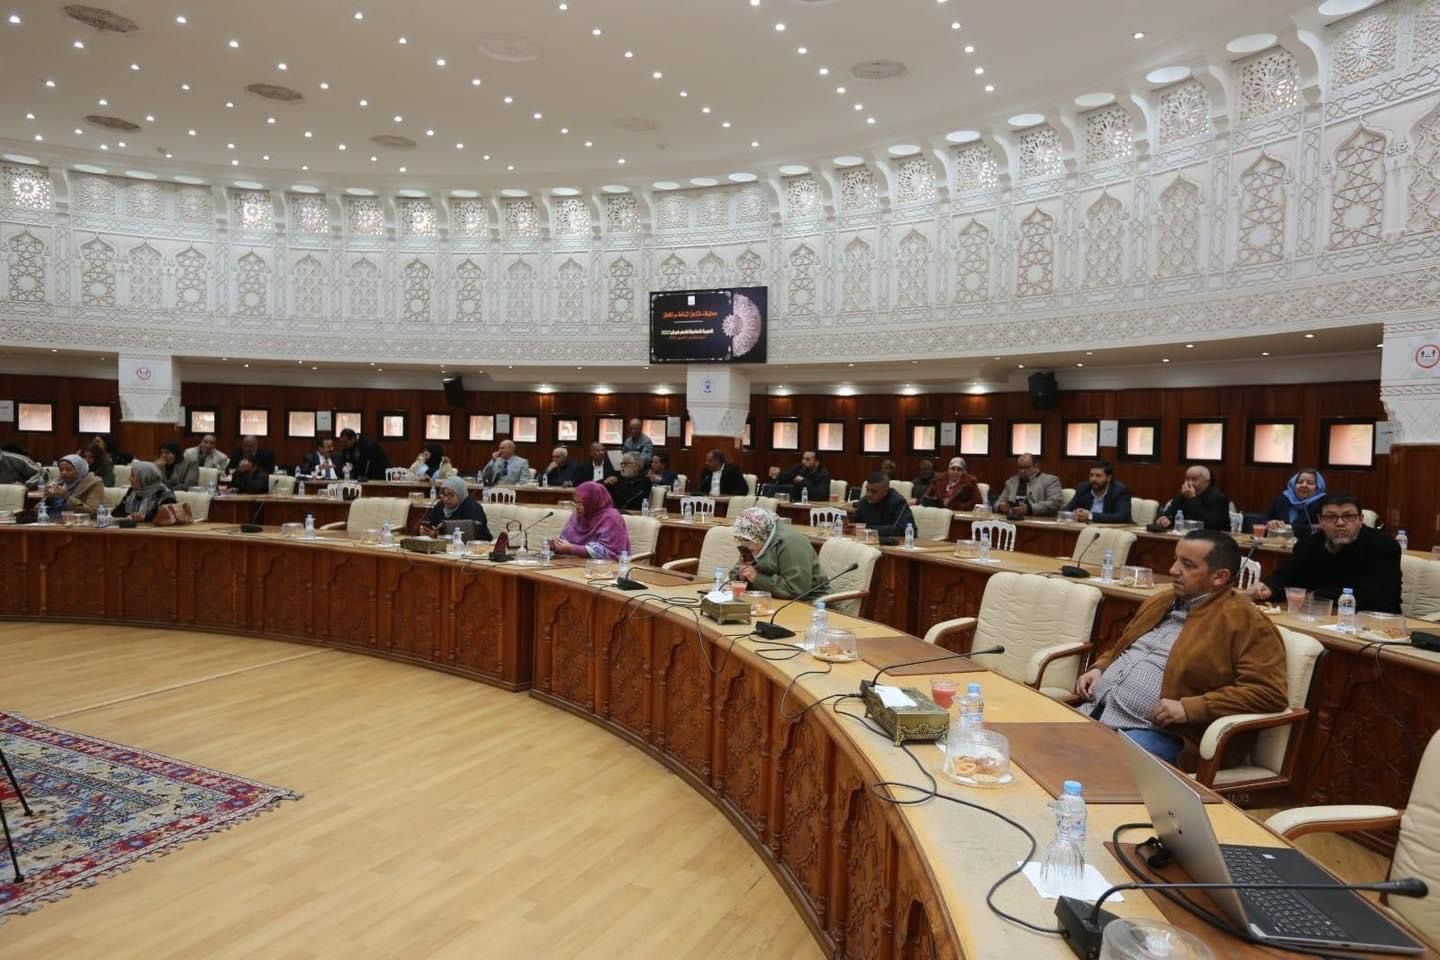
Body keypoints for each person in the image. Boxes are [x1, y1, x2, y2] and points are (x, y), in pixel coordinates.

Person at [1075, 530, 1287, 766]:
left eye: (1187, 565)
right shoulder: (1162, 600)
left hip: (1167, 735)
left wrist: (1191, 708)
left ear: (1219, 577)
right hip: (1096, 709)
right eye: (1175, 559)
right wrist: (1101, 667)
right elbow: (1125, 644)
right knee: (1047, 739)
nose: (1173, 570)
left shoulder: (1246, 623)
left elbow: (1269, 693)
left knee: (1087, 762)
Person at [1252, 494, 1402, 613]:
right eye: (1331, 517)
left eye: (1348, 516)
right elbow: (1287, 576)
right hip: (1317, 617)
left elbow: (1381, 597)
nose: (1340, 523)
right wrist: (1270, 588)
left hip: (1372, 624)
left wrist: (1318, 595)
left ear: (1360, 519)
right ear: (1320, 520)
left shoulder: (1383, 546)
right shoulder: (1309, 544)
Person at [729, 507, 826, 600]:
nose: (744, 545)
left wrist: (757, 578)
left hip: (811, 601)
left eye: (747, 540)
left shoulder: (790, 543)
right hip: (771, 597)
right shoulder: (754, 542)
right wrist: (740, 575)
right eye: (740, 539)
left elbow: (797, 590)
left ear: (762, 535)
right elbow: (735, 573)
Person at [548, 481, 631, 560]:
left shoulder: (612, 517)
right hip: (572, 563)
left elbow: (608, 552)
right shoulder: (578, 515)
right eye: (576, 502)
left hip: (604, 567)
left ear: (593, 502)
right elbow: (565, 540)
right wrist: (557, 544)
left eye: (581, 503)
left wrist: (571, 549)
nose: (577, 507)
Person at [1155, 465, 1231, 531]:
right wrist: (1163, 519)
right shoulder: (1181, 496)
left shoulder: (1218, 498)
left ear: (1207, 482)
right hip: (1184, 536)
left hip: (1211, 539)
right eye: (1187, 479)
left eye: (1194, 479)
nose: (1189, 483)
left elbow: (1210, 524)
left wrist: (1192, 499)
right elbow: (1169, 514)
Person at [419, 475, 491, 540]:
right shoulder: (440, 506)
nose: (446, 499)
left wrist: (441, 533)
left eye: (451, 495)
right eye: (443, 494)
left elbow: (474, 533)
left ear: (460, 494)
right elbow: (431, 525)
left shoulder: (472, 507)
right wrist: (428, 532)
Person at [993, 454, 1063, 517]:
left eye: (1026, 467)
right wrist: (1000, 507)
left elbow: (1055, 503)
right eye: (1020, 467)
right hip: (1013, 520)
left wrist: (1030, 509)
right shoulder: (1011, 482)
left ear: (1036, 466)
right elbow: (996, 504)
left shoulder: (1050, 480)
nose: (1022, 471)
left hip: (1040, 521)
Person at [1065, 459, 1133, 524]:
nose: (1093, 479)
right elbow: (1066, 510)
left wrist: (1090, 516)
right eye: (1091, 475)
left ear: (1109, 478)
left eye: (1098, 476)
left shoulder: (1120, 491)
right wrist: (1074, 513)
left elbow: (1122, 516)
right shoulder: (1083, 488)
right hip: (1088, 528)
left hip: (1116, 530)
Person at [1264, 468, 1326, 537]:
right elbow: (1264, 522)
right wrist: (1270, 523)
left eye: (1310, 483)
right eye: (1300, 482)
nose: (1304, 485)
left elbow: (1322, 529)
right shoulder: (1282, 500)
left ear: (1318, 488)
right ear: (1293, 485)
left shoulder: (1323, 503)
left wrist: (1288, 527)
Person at [851, 472, 916, 537]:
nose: (868, 494)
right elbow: (856, 523)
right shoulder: (865, 501)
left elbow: (902, 529)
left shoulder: (898, 502)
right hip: (869, 540)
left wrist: (868, 529)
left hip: (895, 541)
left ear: (885, 492)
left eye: (874, 491)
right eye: (867, 490)